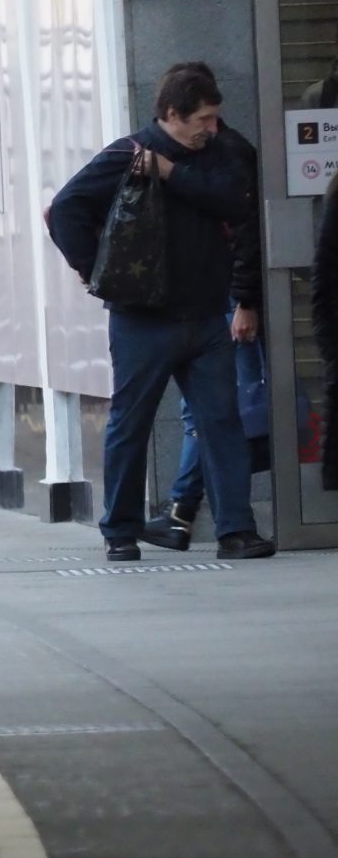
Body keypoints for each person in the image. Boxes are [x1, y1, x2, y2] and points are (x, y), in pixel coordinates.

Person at [46, 63, 273, 561]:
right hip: (142, 319)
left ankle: (237, 530)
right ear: (173, 113)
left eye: (215, 120)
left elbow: (236, 202)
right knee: (132, 422)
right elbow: (64, 208)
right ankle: (120, 532)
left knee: (222, 423)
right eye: (204, 119)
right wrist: (93, 271)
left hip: (206, 316)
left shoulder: (214, 156)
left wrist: (172, 174)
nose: (211, 129)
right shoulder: (127, 155)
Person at [152, 77, 264, 549]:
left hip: (226, 300)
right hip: (214, 297)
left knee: (214, 412)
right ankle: (182, 510)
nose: (207, 127)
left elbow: (245, 232)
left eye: (209, 117)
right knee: (206, 411)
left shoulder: (227, 152)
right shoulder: (214, 152)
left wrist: (244, 301)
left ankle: (183, 510)